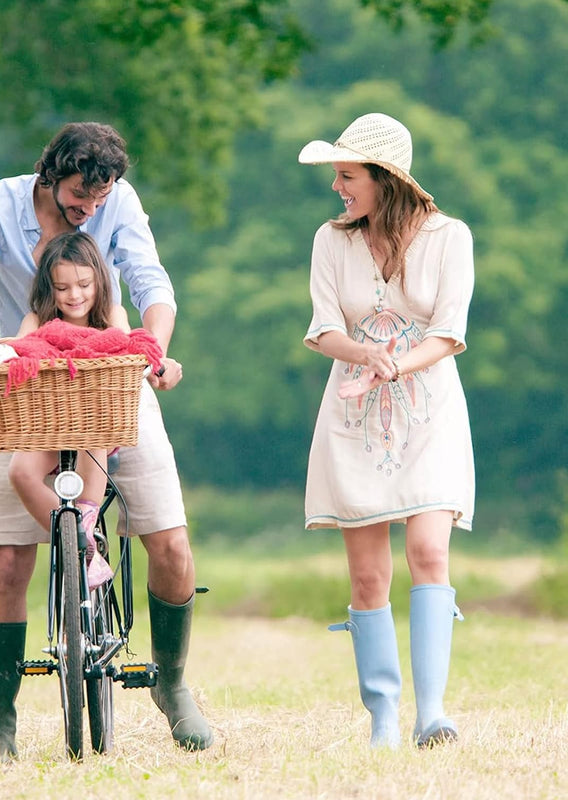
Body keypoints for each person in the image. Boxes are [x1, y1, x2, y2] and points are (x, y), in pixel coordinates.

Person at [0, 122, 213, 760]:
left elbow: (150, 285)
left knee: (170, 540)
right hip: (25, 389)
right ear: (50, 174)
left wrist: (157, 353)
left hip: (112, 381)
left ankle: (172, 683)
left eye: (100, 198)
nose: (90, 209)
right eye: (79, 197)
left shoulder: (119, 201)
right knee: (7, 561)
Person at [297, 113, 474, 748]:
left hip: (428, 413)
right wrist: (366, 356)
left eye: (346, 176)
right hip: (353, 415)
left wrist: (395, 364)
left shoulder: (450, 237)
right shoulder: (331, 240)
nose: (337, 187)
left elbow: (449, 333)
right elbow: (322, 329)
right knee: (368, 575)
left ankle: (433, 714)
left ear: (384, 179)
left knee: (429, 552)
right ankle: (384, 719)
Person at [7, 231, 128, 590]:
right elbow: (20, 350)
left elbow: (121, 347)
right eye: (62, 288)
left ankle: (86, 524)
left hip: (97, 425)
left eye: (84, 284)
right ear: (49, 289)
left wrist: (72, 349)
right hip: (49, 425)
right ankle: (76, 540)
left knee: (96, 433)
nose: (74, 295)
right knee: (20, 470)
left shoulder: (111, 314)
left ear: (98, 281)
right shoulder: (36, 321)